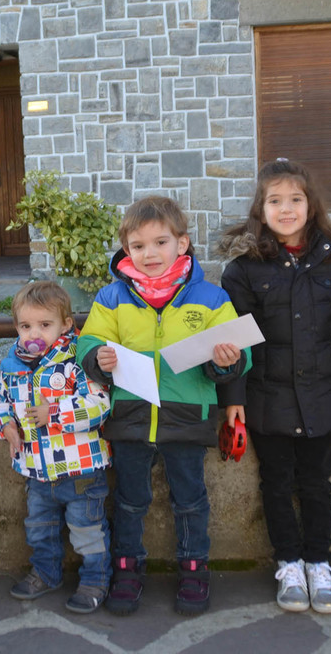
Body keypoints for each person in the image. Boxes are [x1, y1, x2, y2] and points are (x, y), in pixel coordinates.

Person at [218, 158, 331, 614]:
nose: (286, 209)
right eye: (275, 201)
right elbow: (234, 342)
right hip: (265, 399)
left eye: (295, 199)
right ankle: (288, 564)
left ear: (311, 205)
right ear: (260, 208)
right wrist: (233, 398)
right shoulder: (242, 270)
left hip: (322, 396)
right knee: (275, 483)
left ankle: (319, 564)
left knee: (316, 483)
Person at [77, 196, 249, 616]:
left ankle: (193, 569)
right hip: (130, 419)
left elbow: (239, 354)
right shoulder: (112, 296)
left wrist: (226, 360)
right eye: (138, 245)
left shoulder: (211, 298)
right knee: (129, 500)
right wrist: (97, 356)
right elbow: (89, 341)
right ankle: (127, 569)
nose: (149, 253)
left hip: (188, 418)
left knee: (190, 500)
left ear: (182, 243)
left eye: (160, 242)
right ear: (126, 249)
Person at [0, 281, 112, 614]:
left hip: (80, 469)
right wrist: (6, 425)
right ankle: (46, 573)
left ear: (65, 324)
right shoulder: (12, 365)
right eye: (26, 326)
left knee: (87, 529)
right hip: (36, 470)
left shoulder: (76, 361)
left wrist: (53, 413)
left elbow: (99, 405)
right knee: (39, 528)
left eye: (45, 325)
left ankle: (95, 580)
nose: (34, 333)